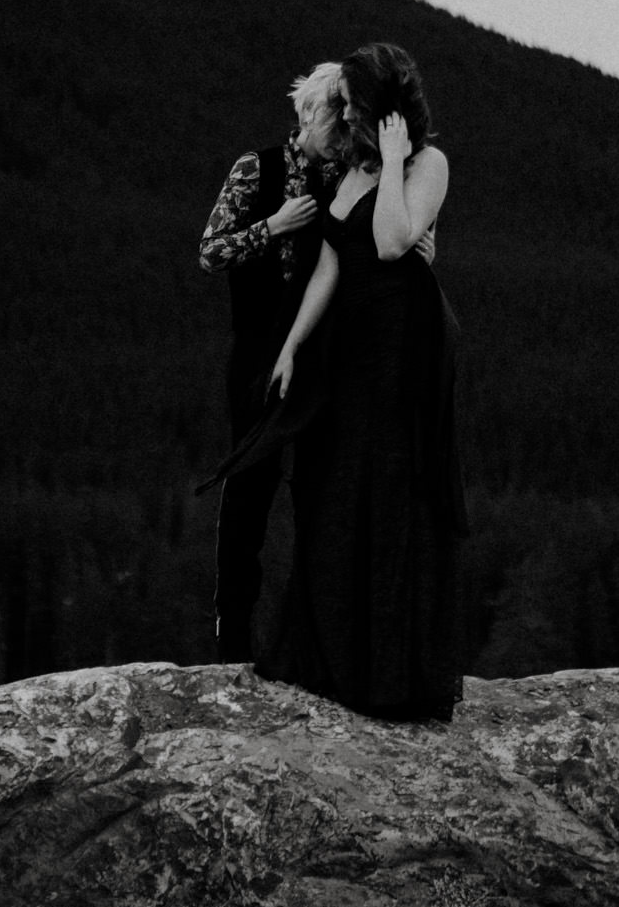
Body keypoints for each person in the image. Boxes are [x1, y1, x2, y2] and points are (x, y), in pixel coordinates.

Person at [255, 41, 468, 720]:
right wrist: (291, 345)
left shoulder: (428, 162)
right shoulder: (345, 171)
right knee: (335, 483)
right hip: (349, 347)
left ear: (379, 102)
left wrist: (399, 161)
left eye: (351, 99)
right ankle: (332, 658)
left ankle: (394, 675)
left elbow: (391, 242)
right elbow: (330, 266)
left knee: (391, 490)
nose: (342, 110)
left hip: (404, 348)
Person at [196, 63, 347, 662]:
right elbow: (210, 252)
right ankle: (232, 636)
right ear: (309, 113)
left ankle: (313, 636)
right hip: (257, 348)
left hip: (324, 347)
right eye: (337, 116)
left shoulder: (351, 176)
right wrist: (272, 226)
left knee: (321, 489)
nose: (344, 130)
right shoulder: (254, 167)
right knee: (250, 490)